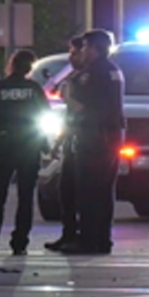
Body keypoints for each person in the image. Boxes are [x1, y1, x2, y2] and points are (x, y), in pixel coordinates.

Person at [0, 49, 51, 256]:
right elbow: (45, 116)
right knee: (25, 196)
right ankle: (20, 243)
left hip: (4, 144)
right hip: (29, 145)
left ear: (11, 64)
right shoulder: (34, 89)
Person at [60, 29, 125, 256]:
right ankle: (102, 239)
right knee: (104, 191)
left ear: (96, 49)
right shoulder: (113, 70)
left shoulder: (93, 73)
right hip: (111, 137)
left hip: (93, 137)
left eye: (86, 47)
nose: (83, 51)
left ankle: (87, 240)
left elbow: (82, 106)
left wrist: (68, 96)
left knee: (88, 191)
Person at [45, 36, 86, 252]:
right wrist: (59, 141)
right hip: (72, 141)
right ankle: (68, 234)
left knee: (81, 192)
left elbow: (82, 110)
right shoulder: (74, 77)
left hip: (87, 143)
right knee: (66, 191)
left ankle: (82, 235)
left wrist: (68, 97)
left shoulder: (90, 78)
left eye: (75, 52)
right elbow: (69, 116)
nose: (71, 56)